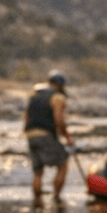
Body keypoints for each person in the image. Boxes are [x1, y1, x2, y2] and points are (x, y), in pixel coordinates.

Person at [23, 70, 73, 201]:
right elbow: (59, 120)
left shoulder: (35, 94)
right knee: (63, 164)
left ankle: (37, 200)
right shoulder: (57, 97)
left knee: (38, 171)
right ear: (60, 85)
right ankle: (56, 197)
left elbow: (26, 117)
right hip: (45, 134)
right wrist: (67, 137)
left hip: (30, 134)